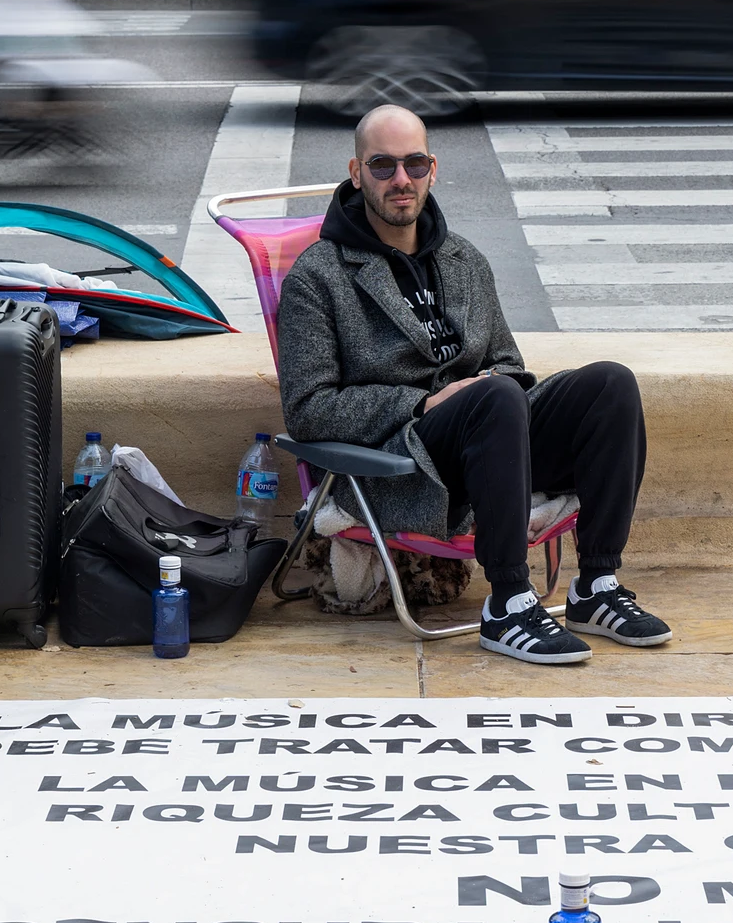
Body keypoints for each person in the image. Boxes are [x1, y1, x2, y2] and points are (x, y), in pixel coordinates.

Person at [276, 104, 671, 665]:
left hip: (493, 439)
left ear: (432, 168)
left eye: (414, 163)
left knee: (609, 384)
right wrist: (425, 401)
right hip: (408, 458)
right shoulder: (319, 277)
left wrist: (489, 386)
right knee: (494, 396)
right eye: (382, 166)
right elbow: (309, 409)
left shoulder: (465, 260)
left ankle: (597, 587)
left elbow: (509, 363)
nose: (401, 179)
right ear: (356, 171)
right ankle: (508, 603)